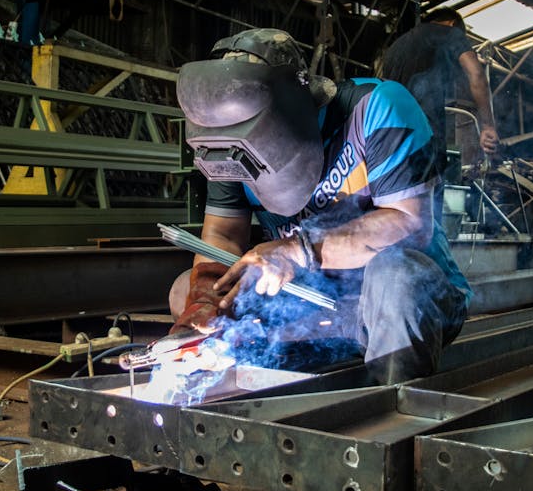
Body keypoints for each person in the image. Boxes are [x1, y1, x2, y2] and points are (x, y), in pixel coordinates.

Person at [168, 28, 473, 384]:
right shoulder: (227, 144)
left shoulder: (375, 107)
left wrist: (295, 251)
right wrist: (204, 301)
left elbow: (409, 224)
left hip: (392, 304)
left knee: (397, 278)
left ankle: (392, 410)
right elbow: (221, 235)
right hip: (309, 306)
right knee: (183, 289)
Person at [376, 6, 500, 226]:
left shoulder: (394, 49)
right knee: (429, 218)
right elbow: (476, 73)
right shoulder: (450, 33)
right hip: (425, 138)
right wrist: (488, 126)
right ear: (452, 24)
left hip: (388, 140)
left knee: (395, 217)